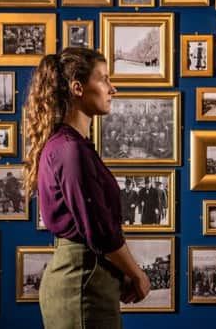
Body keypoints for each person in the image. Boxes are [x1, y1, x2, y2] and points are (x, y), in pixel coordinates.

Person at [24, 47, 151, 328]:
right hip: (82, 282)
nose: (112, 89)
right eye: (104, 79)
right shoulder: (70, 150)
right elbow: (100, 232)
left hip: (87, 278)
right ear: (78, 88)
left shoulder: (69, 145)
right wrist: (138, 275)